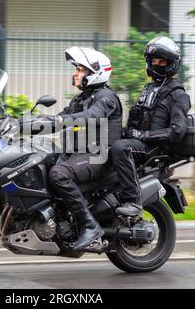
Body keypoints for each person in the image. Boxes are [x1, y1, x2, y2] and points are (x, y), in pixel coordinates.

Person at [48, 46, 123, 251]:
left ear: (95, 72)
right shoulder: (80, 98)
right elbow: (60, 118)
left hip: (99, 157)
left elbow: (90, 117)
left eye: (80, 69)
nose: (75, 73)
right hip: (79, 154)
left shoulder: (106, 97)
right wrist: (23, 124)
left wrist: (62, 119)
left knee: (58, 174)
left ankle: (90, 226)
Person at [110, 36, 191, 217]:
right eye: (153, 60)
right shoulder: (149, 89)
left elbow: (177, 131)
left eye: (161, 61)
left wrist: (141, 135)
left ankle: (133, 200)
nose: (156, 64)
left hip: (154, 148)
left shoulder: (178, 94)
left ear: (171, 64)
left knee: (120, 148)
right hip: (138, 142)